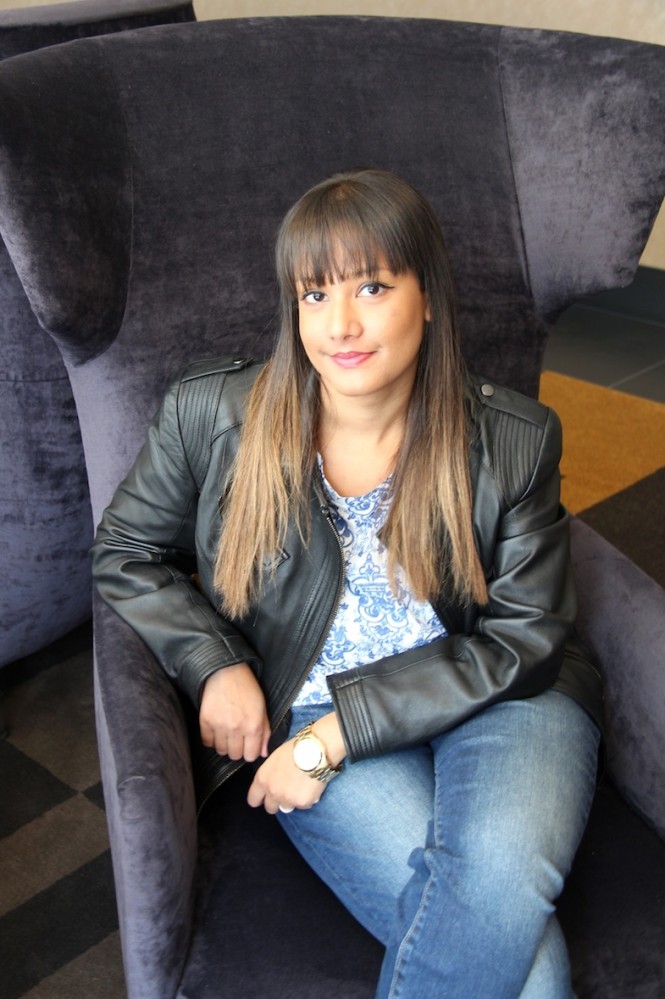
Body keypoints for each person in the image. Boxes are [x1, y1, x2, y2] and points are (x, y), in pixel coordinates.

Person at [92, 168, 603, 998]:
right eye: (314, 294)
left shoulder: (512, 438)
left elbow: (522, 637)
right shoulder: (210, 414)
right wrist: (214, 660)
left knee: (498, 886)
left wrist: (330, 739)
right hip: (313, 700)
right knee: (535, 974)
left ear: (427, 296)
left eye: (371, 286)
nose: (341, 325)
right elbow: (124, 547)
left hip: (502, 694)